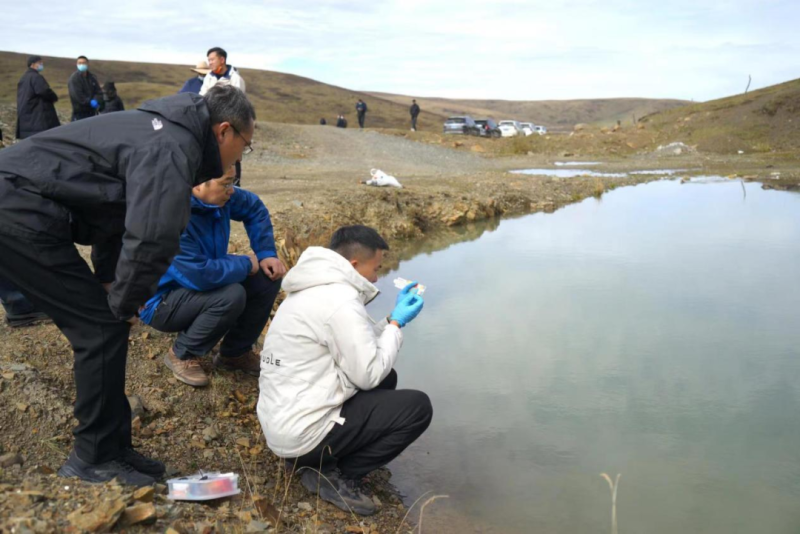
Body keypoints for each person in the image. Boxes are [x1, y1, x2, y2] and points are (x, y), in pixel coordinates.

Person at [0, 85, 256, 487]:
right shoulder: (173, 145)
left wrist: (108, 280)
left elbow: (111, 210)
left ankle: (115, 448)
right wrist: (125, 302)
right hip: (16, 206)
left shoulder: (166, 133)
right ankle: (92, 458)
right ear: (224, 131)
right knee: (100, 329)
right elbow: (153, 235)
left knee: (106, 324)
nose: (241, 157)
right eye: (245, 146)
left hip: (29, 204)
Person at [258, 225, 431, 516]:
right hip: (302, 433)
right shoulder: (340, 301)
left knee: (388, 378)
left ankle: (316, 457)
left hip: (283, 420)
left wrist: (388, 319)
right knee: (417, 407)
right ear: (353, 264)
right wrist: (396, 325)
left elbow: (356, 346)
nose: (377, 277)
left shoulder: (312, 289)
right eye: (376, 267)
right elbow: (369, 373)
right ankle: (334, 474)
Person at [139, 166, 285, 387]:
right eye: (226, 183)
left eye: (233, 182)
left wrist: (265, 253)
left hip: (199, 282)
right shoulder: (171, 216)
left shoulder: (223, 198)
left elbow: (254, 207)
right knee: (230, 295)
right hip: (160, 301)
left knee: (266, 278)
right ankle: (182, 354)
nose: (232, 191)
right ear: (197, 184)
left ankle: (235, 354)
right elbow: (200, 275)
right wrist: (246, 263)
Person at [200, 48, 246, 186]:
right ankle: (214, 186)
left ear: (222, 60)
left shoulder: (235, 79)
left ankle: (234, 185)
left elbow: (238, 104)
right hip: (211, 124)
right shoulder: (209, 77)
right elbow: (202, 97)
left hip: (230, 125)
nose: (210, 63)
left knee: (232, 156)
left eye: (212, 59)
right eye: (208, 60)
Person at [16, 55, 60, 139]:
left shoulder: (23, 78)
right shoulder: (35, 77)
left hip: (27, 118)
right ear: (32, 64)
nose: (41, 64)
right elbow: (43, 91)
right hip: (38, 118)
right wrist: (54, 97)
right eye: (39, 63)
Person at [68, 56, 104, 121]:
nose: (81, 65)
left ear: (87, 64)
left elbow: (99, 92)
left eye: (83, 63)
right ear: (76, 64)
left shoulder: (92, 78)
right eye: (79, 63)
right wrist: (89, 102)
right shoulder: (74, 79)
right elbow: (77, 96)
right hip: (80, 114)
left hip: (92, 113)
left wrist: (96, 100)